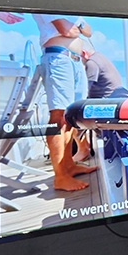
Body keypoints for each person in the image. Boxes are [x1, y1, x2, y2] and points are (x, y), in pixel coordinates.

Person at [33, 14, 98, 191]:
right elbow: (67, 30)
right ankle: (60, 177)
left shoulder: (70, 12)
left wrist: (78, 25)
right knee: (58, 115)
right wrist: (79, 26)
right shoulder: (49, 2)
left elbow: (88, 32)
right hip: (58, 58)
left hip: (74, 61)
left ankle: (69, 165)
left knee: (71, 117)